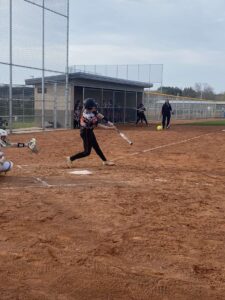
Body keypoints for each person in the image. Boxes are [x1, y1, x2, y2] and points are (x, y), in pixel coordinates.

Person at [66, 98, 115, 168]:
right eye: (93, 106)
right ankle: (70, 158)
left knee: (96, 146)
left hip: (89, 131)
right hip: (85, 132)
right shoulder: (88, 116)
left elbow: (99, 114)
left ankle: (105, 161)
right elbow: (98, 125)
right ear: (89, 107)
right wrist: (109, 128)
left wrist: (108, 121)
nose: (94, 107)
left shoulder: (90, 110)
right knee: (87, 152)